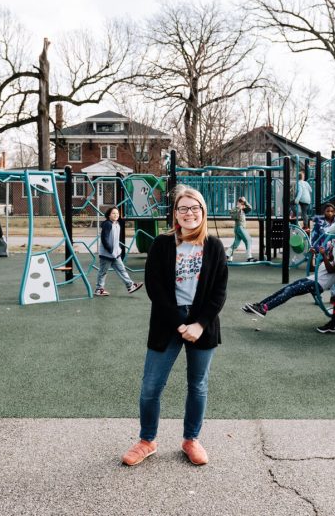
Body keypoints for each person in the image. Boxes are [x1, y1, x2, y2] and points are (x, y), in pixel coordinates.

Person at [121, 186, 228, 467]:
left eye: (195, 208)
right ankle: (147, 440)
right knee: (151, 386)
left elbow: (219, 292)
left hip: (202, 325)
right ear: (175, 213)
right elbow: (155, 289)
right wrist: (181, 324)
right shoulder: (162, 244)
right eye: (183, 208)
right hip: (167, 322)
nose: (189, 213)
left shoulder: (214, 247)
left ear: (203, 212)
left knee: (198, 386)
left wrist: (199, 324)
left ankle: (191, 439)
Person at [243, 246, 335, 317]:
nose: (329, 251)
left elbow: (330, 270)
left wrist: (323, 255)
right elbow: (313, 268)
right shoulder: (327, 260)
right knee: (286, 288)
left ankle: (265, 308)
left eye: (331, 250)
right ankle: (260, 305)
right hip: (311, 279)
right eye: (329, 250)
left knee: (290, 291)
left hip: (318, 284)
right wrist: (313, 255)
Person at [94, 206, 144, 297]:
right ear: (109, 215)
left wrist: (118, 250)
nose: (116, 215)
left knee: (122, 270)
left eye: (117, 213)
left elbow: (116, 239)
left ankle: (130, 286)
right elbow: (104, 239)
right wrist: (110, 250)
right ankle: (99, 289)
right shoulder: (108, 224)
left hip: (115, 254)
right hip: (107, 254)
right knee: (103, 272)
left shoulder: (117, 224)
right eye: (113, 213)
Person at [226, 197, 255, 262]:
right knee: (249, 240)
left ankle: (226, 255)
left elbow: (250, 208)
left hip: (239, 228)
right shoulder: (234, 209)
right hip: (240, 227)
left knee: (236, 244)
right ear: (238, 202)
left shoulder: (243, 209)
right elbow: (234, 217)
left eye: (242, 202)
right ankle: (249, 257)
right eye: (240, 201)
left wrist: (245, 201)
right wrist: (239, 209)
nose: (242, 203)